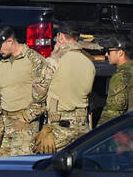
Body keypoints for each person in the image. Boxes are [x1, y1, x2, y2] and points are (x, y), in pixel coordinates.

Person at [0, 24, 52, 156]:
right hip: (4, 125)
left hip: (25, 125)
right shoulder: (0, 66)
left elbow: (43, 94)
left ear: (10, 41)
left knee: (22, 166)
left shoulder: (34, 61)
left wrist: (25, 118)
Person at [41, 22, 96, 151]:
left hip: (59, 125)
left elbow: (39, 91)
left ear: (60, 37)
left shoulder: (54, 60)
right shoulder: (89, 62)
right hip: (82, 124)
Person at [98, 36, 133, 126]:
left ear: (120, 53)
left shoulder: (121, 76)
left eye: (109, 51)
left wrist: (97, 134)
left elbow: (112, 113)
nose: (106, 55)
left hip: (124, 132)